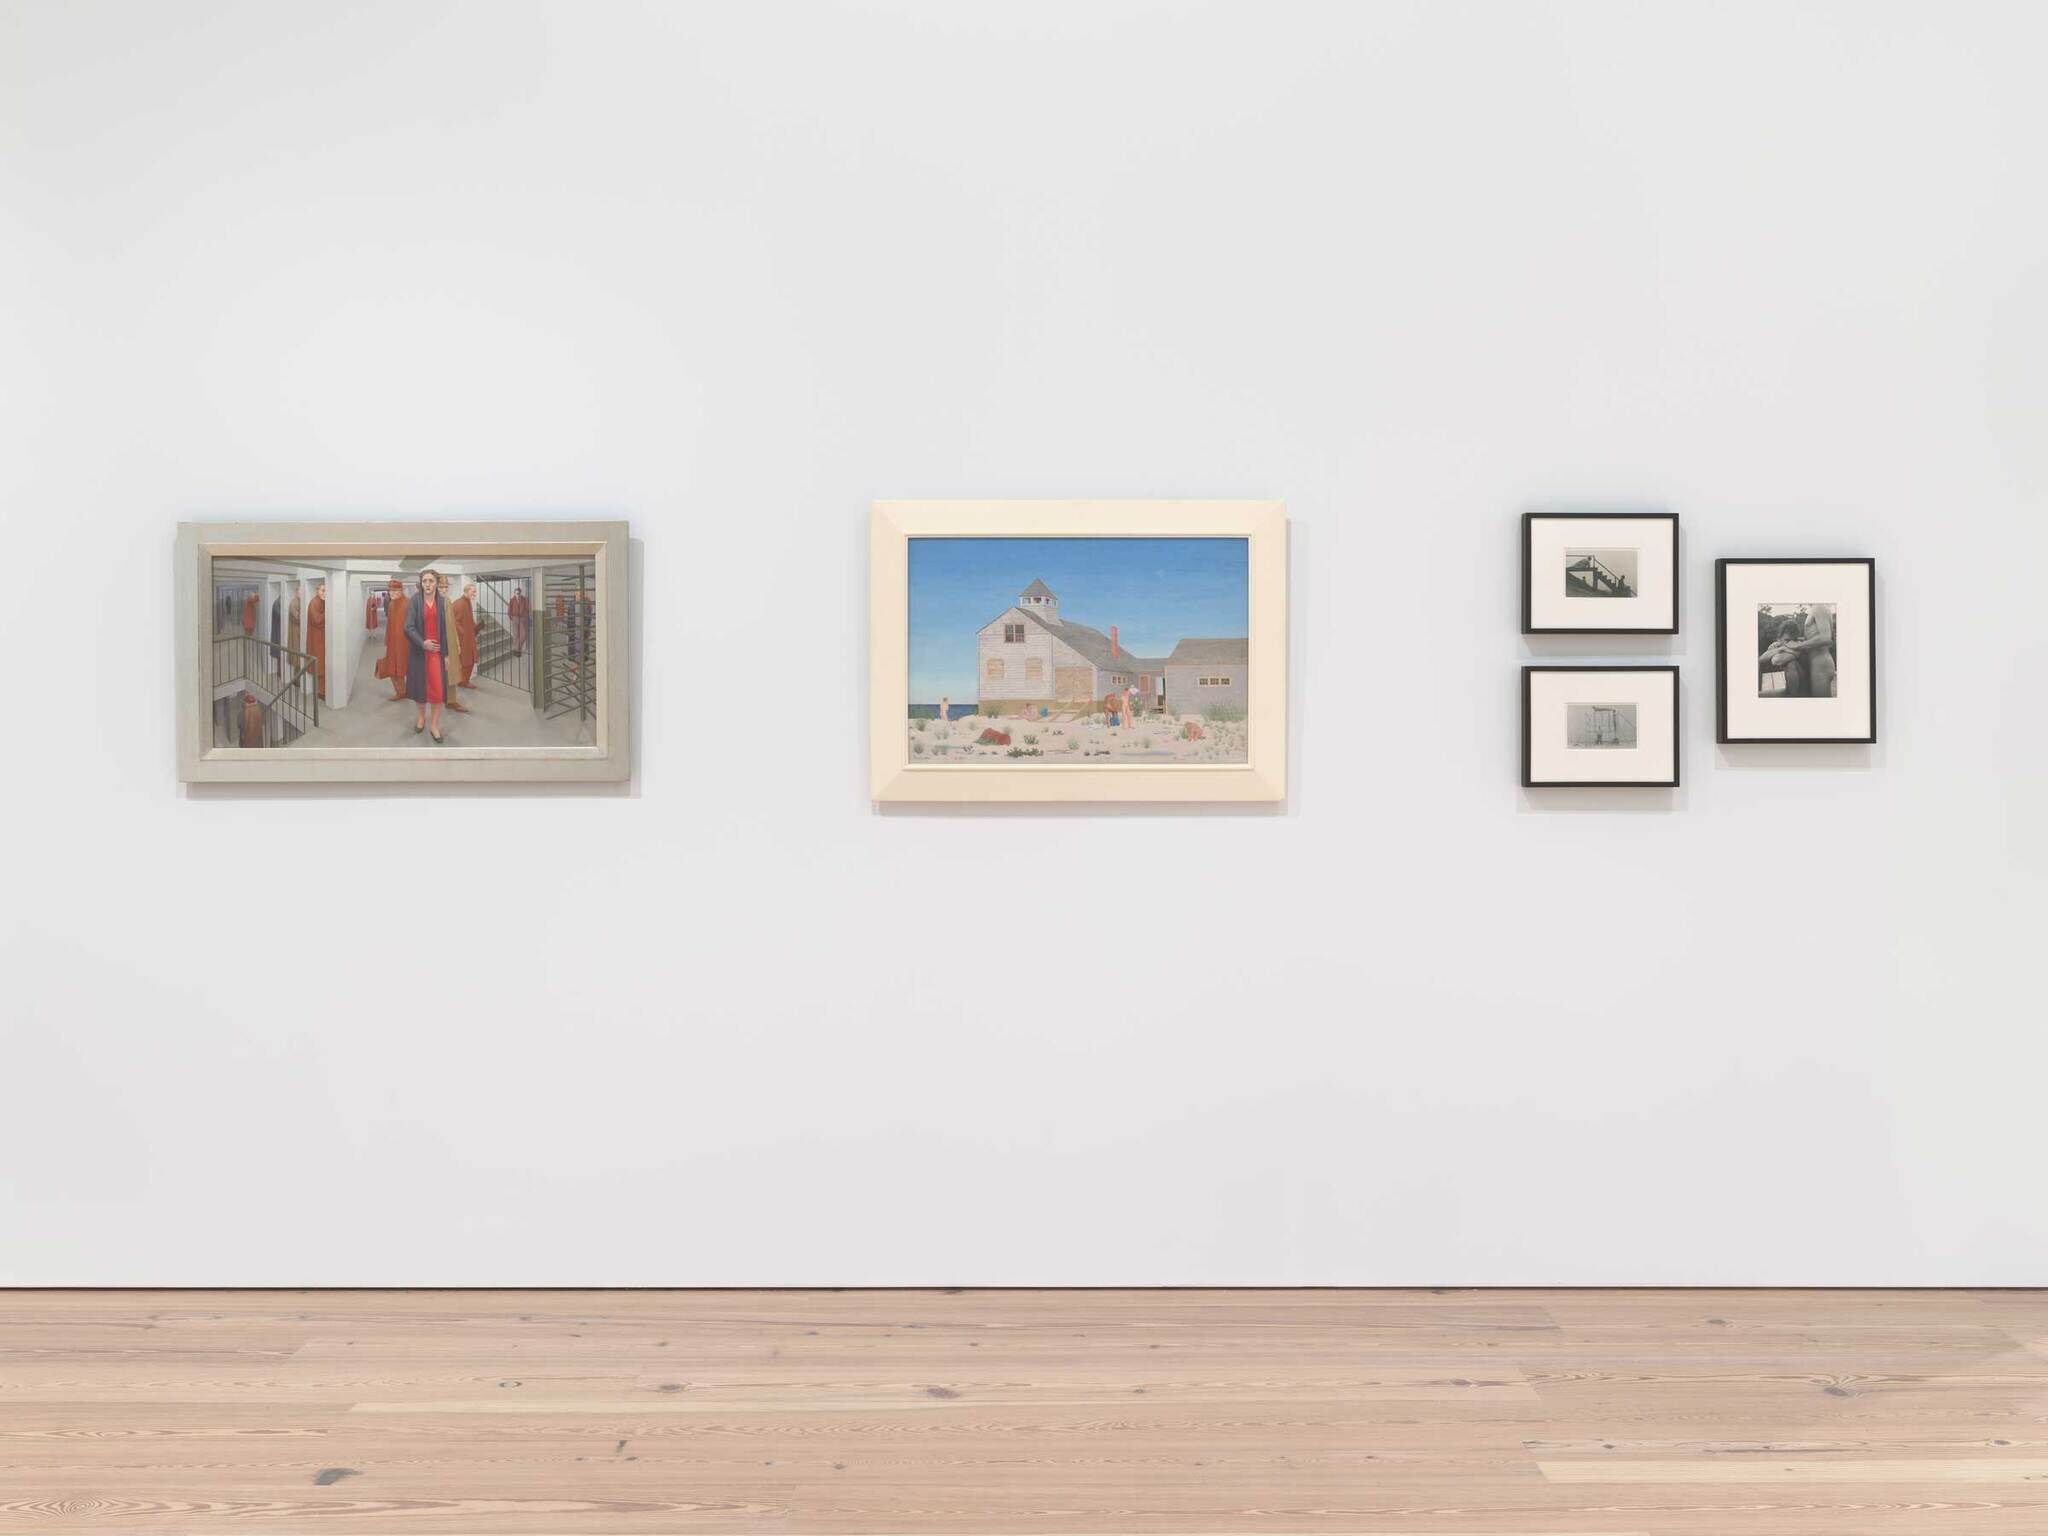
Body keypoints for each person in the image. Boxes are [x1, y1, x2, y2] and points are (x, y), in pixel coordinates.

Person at [405, 567, 457, 741]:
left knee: (438, 691)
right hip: (419, 652)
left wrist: (447, 655)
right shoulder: (415, 601)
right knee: (420, 689)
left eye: (431, 581)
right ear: (421, 583)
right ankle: (421, 718)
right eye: (424, 581)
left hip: (437, 653)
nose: (427, 584)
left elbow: (447, 631)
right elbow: (408, 627)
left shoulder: (442, 602)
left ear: (436, 583)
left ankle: (434, 725)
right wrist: (423, 643)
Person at [1792, 603, 1836, 698]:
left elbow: (1825, 638)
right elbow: (1814, 637)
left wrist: (1797, 646)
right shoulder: (1817, 608)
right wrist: (1789, 641)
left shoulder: (1819, 607)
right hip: (1817, 662)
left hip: (1821, 664)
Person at [377, 580, 409, 699]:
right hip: (392, 642)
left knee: (403, 667)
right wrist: (386, 642)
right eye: (391, 591)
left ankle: (405, 691)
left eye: (396, 590)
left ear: (401, 590)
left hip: (405, 643)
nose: (392, 593)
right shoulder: (391, 604)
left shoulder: (408, 604)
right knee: (392, 668)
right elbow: (389, 625)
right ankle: (400, 691)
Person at [452, 582, 480, 690]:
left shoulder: (467, 602)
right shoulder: (460, 604)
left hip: (468, 637)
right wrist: (464, 634)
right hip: (463, 639)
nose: (475, 594)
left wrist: (476, 628)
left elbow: (469, 619)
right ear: (466, 591)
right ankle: (463, 682)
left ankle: (463, 681)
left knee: (469, 660)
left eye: (475, 592)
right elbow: (455, 622)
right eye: (473, 592)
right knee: (466, 661)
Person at [305, 583, 327, 699]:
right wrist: (327, 612)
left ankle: (322, 691)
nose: (324, 593)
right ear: (317, 590)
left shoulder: (322, 602)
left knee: (322, 664)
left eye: (326, 591)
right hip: (316, 638)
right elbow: (317, 620)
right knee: (319, 664)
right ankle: (320, 692)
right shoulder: (314, 603)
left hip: (321, 637)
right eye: (322, 590)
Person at [507, 586, 528, 654]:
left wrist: (524, 617)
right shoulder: (512, 600)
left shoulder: (524, 599)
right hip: (515, 618)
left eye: (518, 593)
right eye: (516, 593)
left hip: (522, 618)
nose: (517, 595)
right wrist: (512, 618)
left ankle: (517, 648)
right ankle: (517, 650)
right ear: (514, 593)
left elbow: (526, 608)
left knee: (523, 635)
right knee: (515, 634)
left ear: (520, 593)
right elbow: (509, 610)